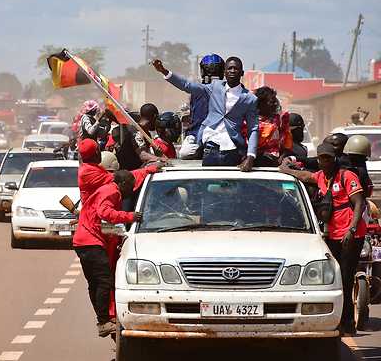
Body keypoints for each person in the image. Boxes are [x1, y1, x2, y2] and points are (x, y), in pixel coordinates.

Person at [279, 142, 366, 335]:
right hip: (333, 235)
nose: (325, 161)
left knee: (345, 277)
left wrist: (351, 230)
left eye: (328, 157)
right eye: (321, 158)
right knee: (335, 278)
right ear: (318, 159)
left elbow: (359, 203)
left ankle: (348, 324)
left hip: (351, 234)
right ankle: (340, 321)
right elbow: (303, 175)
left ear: (334, 158)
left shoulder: (346, 176)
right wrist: (285, 168)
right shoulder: (320, 177)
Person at [153, 57, 258, 171]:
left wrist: (250, 156)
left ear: (242, 72)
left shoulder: (250, 98)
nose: (232, 71)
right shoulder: (215, 87)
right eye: (229, 68)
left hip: (232, 149)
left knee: (229, 185)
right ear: (224, 72)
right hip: (210, 146)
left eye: (236, 68)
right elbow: (187, 85)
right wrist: (164, 71)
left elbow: (253, 129)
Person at [73, 170, 142, 337]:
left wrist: (117, 234)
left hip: (82, 241)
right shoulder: (112, 192)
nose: (131, 190)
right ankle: (104, 321)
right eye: (131, 186)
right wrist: (130, 216)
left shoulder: (105, 190)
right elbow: (105, 213)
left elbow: (99, 220)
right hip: (91, 242)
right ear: (123, 184)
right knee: (105, 281)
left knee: (95, 283)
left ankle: (102, 320)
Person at [180, 54, 225, 160]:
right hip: (197, 134)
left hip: (216, 134)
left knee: (185, 153)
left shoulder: (198, 89)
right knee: (185, 153)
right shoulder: (226, 89)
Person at [244, 86, 292, 166]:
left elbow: (287, 144)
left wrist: (282, 157)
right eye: (271, 102)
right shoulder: (248, 120)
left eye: (274, 101)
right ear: (260, 103)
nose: (274, 104)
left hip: (273, 162)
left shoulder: (281, 119)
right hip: (250, 160)